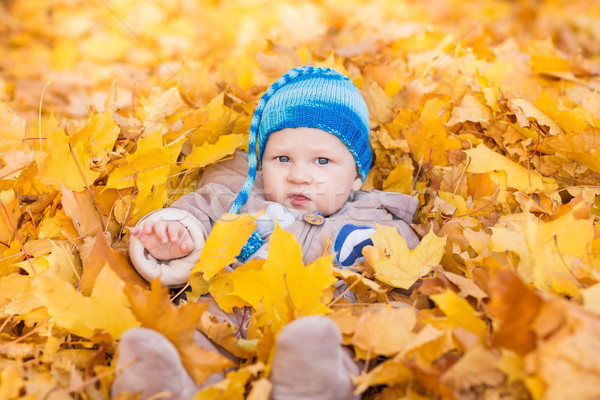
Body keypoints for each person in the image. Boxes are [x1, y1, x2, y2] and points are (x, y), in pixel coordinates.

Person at [112, 66, 420, 400]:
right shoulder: (239, 197)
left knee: (337, 343)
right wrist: (175, 234)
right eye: (283, 158)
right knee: (190, 334)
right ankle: (165, 386)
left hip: (314, 321)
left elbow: (404, 278)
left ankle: (312, 387)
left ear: (357, 175)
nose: (299, 175)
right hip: (226, 315)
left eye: (322, 161)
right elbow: (197, 213)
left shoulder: (372, 220)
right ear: (261, 163)